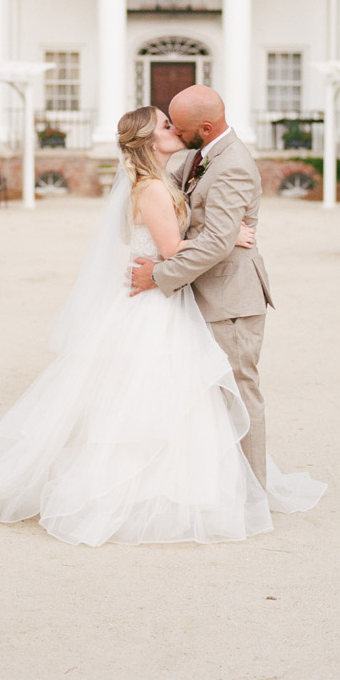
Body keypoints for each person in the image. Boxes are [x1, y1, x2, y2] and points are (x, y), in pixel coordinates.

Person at [0, 105, 324, 547]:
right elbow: (173, 246)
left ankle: (216, 485)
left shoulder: (163, 178)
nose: (173, 129)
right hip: (154, 302)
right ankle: (158, 490)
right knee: (158, 397)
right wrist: (227, 235)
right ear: (150, 142)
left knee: (159, 396)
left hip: (160, 298)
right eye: (164, 125)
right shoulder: (154, 188)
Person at [128, 86, 271, 489]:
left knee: (238, 394)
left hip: (230, 300)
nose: (173, 130)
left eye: (180, 126)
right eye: (167, 124)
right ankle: (217, 486)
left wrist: (157, 275)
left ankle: (252, 493)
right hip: (198, 295)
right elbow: (161, 193)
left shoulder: (234, 165)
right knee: (205, 397)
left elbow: (215, 242)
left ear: (205, 129)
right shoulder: (195, 155)